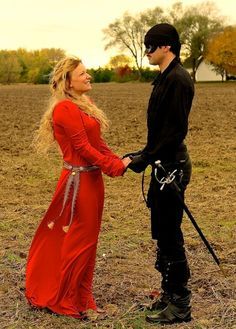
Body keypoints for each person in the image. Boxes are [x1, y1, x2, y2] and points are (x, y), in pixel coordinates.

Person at [25, 56, 131, 319]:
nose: (88, 77)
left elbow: (97, 142)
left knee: (90, 242)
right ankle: (66, 300)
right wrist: (113, 166)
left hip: (93, 180)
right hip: (78, 183)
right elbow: (83, 149)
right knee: (79, 242)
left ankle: (84, 299)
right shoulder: (64, 110)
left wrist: (117, 160)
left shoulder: (84, 105)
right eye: (83, 74)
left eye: (87, 73)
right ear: (68, 82)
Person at [126, 23, 194, 324]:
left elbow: (174, 132)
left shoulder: (178, 79)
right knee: (162, 233)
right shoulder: (164, 78)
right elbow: (158, 133)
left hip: (172, 167)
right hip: (161, 164)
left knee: (170, 234)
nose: (147, 52)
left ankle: (180, 305)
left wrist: (144, 158)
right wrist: (144, 154)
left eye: (151, 46)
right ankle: (168, 295)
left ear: (166, 46)